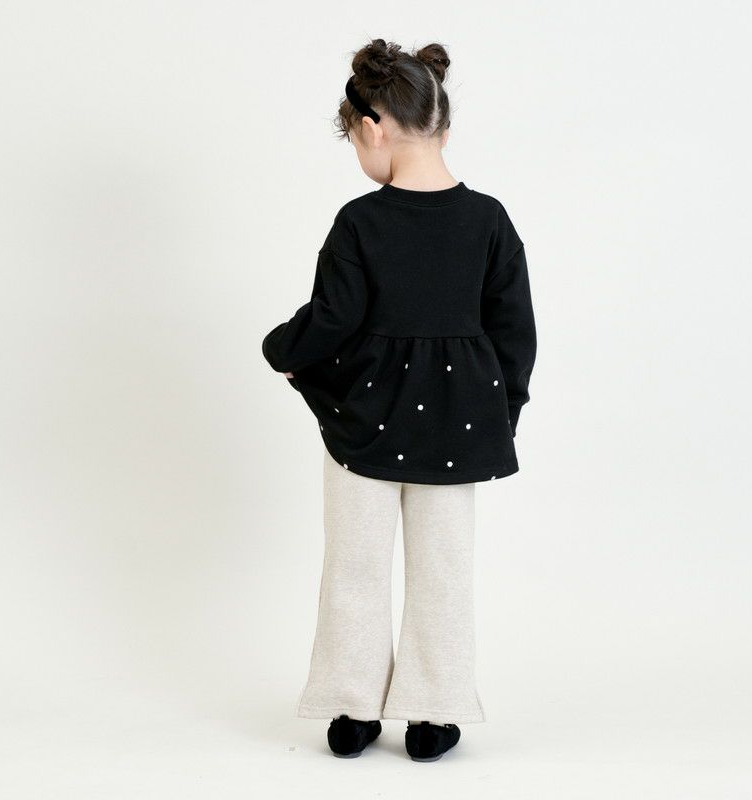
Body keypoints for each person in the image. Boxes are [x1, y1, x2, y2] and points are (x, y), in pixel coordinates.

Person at [262, 37, 536, 761]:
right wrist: (501, 414)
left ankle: (352, 707)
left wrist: (281, 349)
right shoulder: (490, 220)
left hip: (365, 425)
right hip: (458, 427)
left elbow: (332, 319)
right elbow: (515, 333)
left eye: (355, 140)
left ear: (373, 127)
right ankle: (434, 710)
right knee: (444, 572)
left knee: (353, 568)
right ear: (441, 122)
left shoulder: (360, 221)